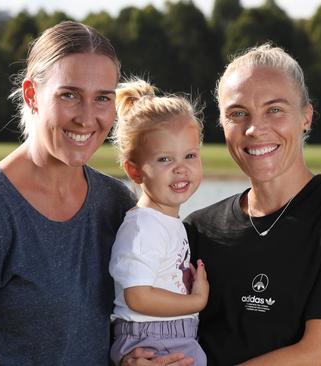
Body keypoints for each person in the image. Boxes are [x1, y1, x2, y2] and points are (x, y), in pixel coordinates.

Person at [0, 21, 138, 365]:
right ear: (31, 95)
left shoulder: (117, 203)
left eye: (102, 99)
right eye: (69, 95)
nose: (86, 118)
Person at [183, 44, 321, 365]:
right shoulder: (198, 228)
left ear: (306, 117)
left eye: (274, 109)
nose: (254, 129)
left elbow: (319, 356)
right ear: (222, 125)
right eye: (238, 113)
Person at [109, 79, 209, 365]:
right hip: (153, 339)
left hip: (171, 334)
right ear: (135, 171)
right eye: (165, 159)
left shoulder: (167, 221)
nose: (181, 168)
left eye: (190, 155)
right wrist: (196, 301)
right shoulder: (144, 227)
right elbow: (138, 297)